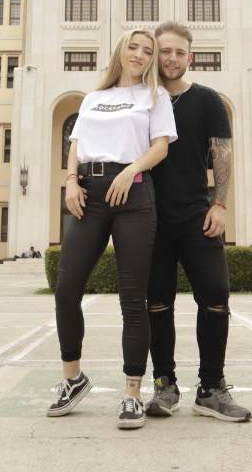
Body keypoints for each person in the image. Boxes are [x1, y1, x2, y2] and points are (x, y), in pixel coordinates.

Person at [48, 29, 177, 429]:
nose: (139, 54)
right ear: (120, 50)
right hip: (89, 194)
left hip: (134, 197)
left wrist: (133, 170)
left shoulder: (154, 97)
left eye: (147, 51)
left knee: (131, 297)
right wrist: (70, 180)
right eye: (133, 47)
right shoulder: (93, 99)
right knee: (67, 289)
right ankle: (74, 378)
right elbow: (77, 142)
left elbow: (161, 146)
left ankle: (132, 393)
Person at [144, 22, 251, 423]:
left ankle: (210, 388)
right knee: (157, 302)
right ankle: (164, 384)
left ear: (190, 57)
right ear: (156, 53)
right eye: (165, 51)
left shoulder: (208, 101)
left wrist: (220, 204)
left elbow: (222, 153)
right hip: (149, 217)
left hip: (196, 215)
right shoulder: (141, 98)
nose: (171, 58)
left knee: (216, 296)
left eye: (179, 52)